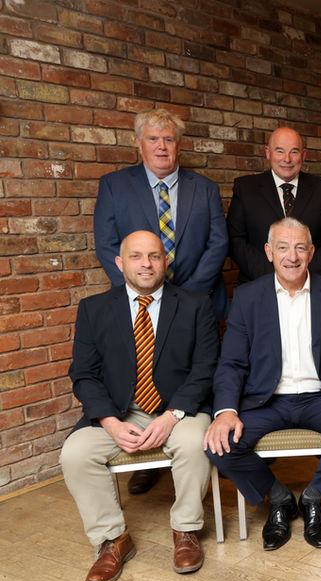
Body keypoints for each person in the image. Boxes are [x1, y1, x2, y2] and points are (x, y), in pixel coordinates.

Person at [204, 218, 321, 552]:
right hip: (266, 401)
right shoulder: (248, 297)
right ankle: (278, 498)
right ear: (269, 252)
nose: (291, 256)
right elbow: (232, 363)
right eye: (283, 247)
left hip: (320, 397)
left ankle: (313, 498)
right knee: (219, 444)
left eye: (299, 248)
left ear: (311, 252)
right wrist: (226, 412)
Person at [61, 231, 219, 581]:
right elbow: (84, 374)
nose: (145, 264)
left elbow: (206, 367)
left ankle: (186, 530)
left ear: (166, 261)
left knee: (194, 442)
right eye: (136, 256)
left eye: (154, 256)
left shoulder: (196, 305)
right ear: (120, 263)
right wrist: (110, 423)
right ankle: (112, 539)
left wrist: (172, 415)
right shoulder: (93, 309)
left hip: (178, 409)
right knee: (75, 454)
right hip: (119, 412)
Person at [93, 107, 228, 495]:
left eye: (169, 139)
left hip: (198, 301)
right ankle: (149, 458)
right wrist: (145, 290)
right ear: (140, 144)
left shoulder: (204, 187)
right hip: (140, 306)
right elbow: (107, 245)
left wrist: (186, 297)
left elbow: (217, 243)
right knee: (146, 373)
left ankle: (208, 453)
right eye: (154, 139)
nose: (162, 146)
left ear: (179, 144)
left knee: (198, 373)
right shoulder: (114, 186)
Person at [227, 126, 321, 282]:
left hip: (315, 282)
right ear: (268, 153)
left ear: (303, 155)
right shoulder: (245, 188)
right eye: (280, 151)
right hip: (260, 282)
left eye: (294, 152)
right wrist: (276, 278)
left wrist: (301, 275)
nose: (287, 159)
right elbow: (236, 240)